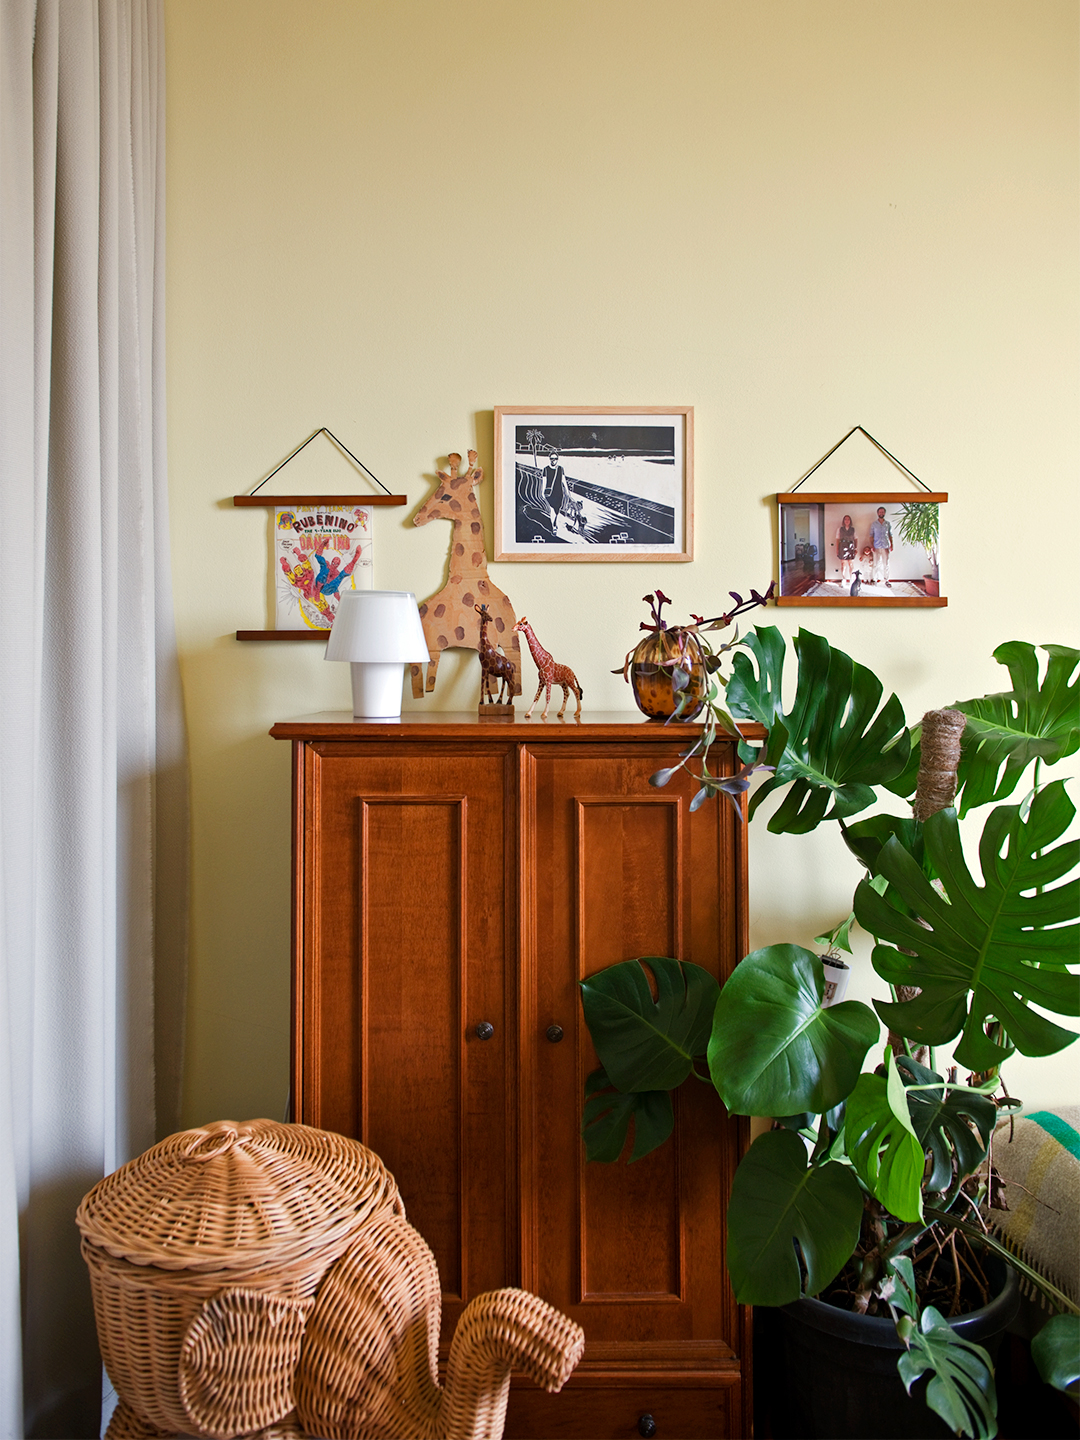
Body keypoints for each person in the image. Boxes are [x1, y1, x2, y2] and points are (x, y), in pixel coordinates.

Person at [543, 447, 567, 527]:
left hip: (559, 493)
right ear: (549, 459)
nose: (553, 460)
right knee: (552, 509)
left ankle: (554, 522)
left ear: (557, 459)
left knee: (557, 510)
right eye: (552, 458)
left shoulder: (560, 469)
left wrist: (567, 492)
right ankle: (554, 526)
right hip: (549, 493)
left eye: (555, 458)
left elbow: (564, 481)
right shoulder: (545, 469)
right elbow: (544, 481)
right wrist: (543, 492)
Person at [869, 505, 893, 586]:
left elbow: (890, 535)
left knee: (886, 564)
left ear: (884, 513)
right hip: (876, 546)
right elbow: (871, 535)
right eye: (880, 512)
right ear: (877, 513)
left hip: (886, 546)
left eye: (882, 512)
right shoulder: (874, 524)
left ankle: (887, 580)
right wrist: (872, 545)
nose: (881, 513)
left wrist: (891, 544)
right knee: (876, 564)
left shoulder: (888, 524)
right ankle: (875, 579)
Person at [835, 513, 857, 585]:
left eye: (848, 519)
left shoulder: (853, 529)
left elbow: (856, 539)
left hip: (851, 546)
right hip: (842, 546)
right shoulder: (840, 529)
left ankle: (851, 579)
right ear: (843, 521)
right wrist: (837, 549)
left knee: (851, 564)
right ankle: (843, 579)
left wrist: (855, 548)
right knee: (843, 564)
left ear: (850, 521)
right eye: (845, 519)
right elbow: (837, 539)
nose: (847, 521)